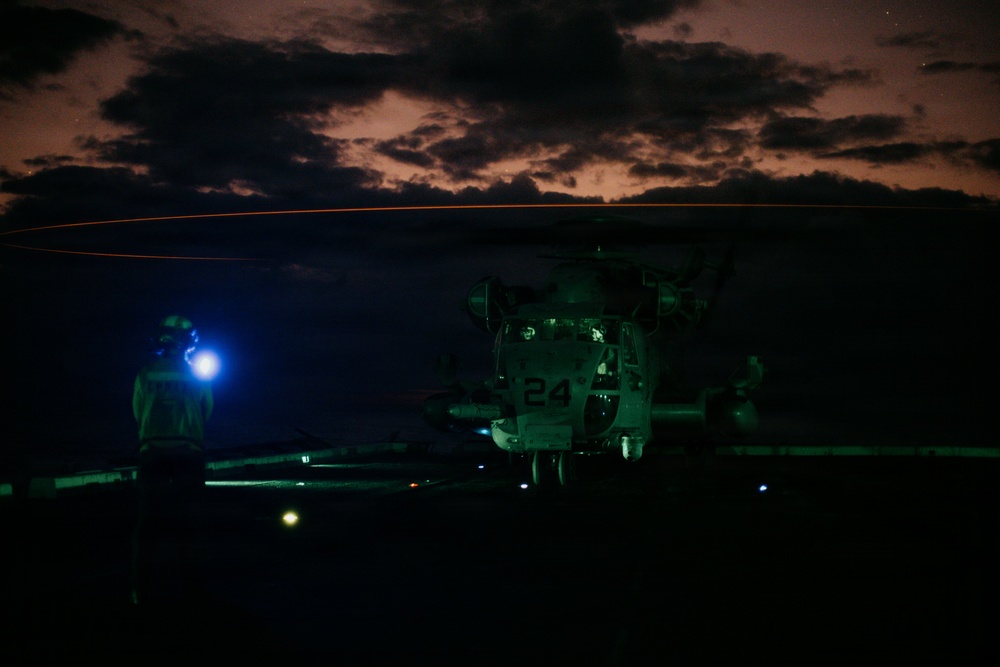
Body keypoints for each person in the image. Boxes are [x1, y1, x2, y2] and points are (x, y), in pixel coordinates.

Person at [131, 315, 213, 607]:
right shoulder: (198, 376)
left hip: (152, 453)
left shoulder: (145, 374)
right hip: (188, 454)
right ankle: (193, 593)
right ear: (190, 342)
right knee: (189, 525)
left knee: (148, 525)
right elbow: (207, 412)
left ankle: (141, 591)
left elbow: (138, 413)